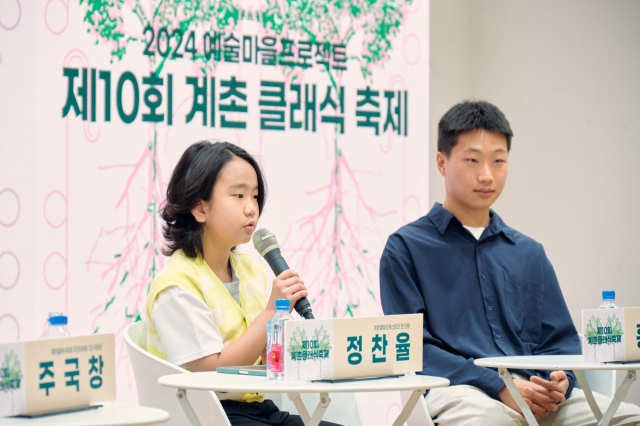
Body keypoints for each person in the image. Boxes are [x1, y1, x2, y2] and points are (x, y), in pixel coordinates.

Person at [379, 101, 640, 425]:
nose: (487, 175)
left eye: (498, 161)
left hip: (536, 390)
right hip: (459, 388)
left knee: (628, 418)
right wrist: (500, 386)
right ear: (442, 162)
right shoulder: (406, 248)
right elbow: (412, 348)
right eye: (472, 160)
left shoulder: (529, 253)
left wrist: (560, 379)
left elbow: (561, 342)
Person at [144, 140, 341, 426]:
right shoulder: (176, 285)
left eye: (255, 196)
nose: (252, 209)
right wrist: (272, 311)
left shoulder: (250, 269)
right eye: (238, 195)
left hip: (259, 410)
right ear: (199, 209)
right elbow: (211, 376)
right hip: (206, 416)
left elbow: (266, 354)